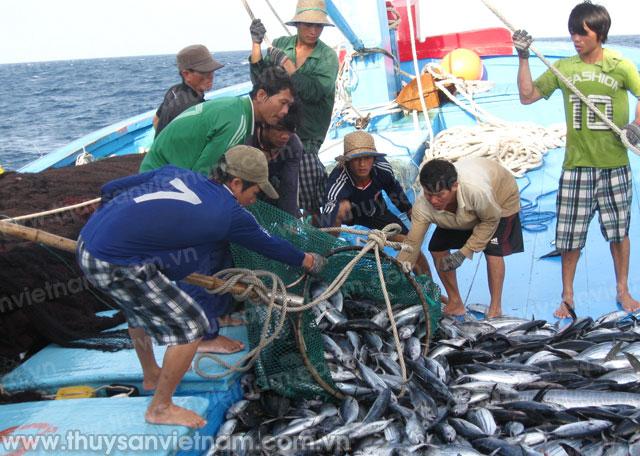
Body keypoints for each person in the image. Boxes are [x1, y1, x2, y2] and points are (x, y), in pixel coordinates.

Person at [77, 145, 325, 428]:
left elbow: (111, 188)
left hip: (88, 243)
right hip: (115, 262)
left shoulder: (179, 173)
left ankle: (151, 374)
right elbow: (270, 244)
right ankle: (160, 407)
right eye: (254, 193)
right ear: (235, 183)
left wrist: (110, 226)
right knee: (191, 327)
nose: (253, 202)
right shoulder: (230, 214)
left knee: (137, 311)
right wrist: (307, 260)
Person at [513, 1, 640, 318]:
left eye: (581, 33)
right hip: (576, 168)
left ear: (599, 33)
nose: (575, 39)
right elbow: (527, 97)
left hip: (615, 168)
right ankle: (567, 297)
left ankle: (622, 289)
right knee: (569, 237)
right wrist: (523, 57)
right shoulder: (564, 68)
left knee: (618, 233)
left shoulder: (620, 65)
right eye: (572, 33)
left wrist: (636, 126)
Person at [397, 158, 523, 319]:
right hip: (461, 214)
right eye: (429, 195)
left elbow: (490, 220)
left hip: (499, 201)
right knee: (436, 246)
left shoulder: (477, 191)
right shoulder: (423, 204)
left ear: (455, 186)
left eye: (440, 195)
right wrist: (399, 268)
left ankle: (496, 308)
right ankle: (455, 302)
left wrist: (463, 253)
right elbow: (413, 243)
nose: (434, 201)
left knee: (493, 251)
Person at [249, 0, 339, 220]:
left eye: (318, 26)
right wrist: (256, 46)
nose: (313, 30)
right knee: (269, 189)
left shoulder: (328, 57)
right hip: (276, 132)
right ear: (297, 24)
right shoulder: (281, 43)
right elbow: (262, 82)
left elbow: (314, 92)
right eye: (308, 25)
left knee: (311, 193)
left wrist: (288, 66)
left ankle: (321, 235)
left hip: (307, 137)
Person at [140, 67, 295, 175]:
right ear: (261, 95)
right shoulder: (237, 123)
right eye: (283, 103)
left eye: (289, 106)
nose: (285, 112)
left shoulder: (235, 107)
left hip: (158, 168)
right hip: (159, 177)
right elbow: (202, 176)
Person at [320, 130, 429, 275]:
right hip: (351, 214)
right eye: (356, 159)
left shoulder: (382, 169)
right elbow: (329, 209)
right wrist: (326, 240)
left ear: (374, 158)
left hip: (376, 210)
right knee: (338, 208)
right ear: (347, 162)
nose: (362, 164)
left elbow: (393, 189)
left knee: (411, 248)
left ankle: (429, 285)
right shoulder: (338, 181)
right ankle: (328, 254)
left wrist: (408, 210)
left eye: (367, 158)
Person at [246, 100, 303, 216]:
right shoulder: (247, 139)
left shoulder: (294, 145)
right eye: (279, 129)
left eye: (290, 130)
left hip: (271, 188)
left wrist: (289, 221)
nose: (285, 136)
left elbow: (289, 186)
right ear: (264, 125)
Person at [153, 44, 224, 136]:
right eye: (204, 72)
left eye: (211, 70)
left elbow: (156, 120)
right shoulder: (194, 108)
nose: (211, 76)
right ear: (186, 74)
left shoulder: (173, 91)